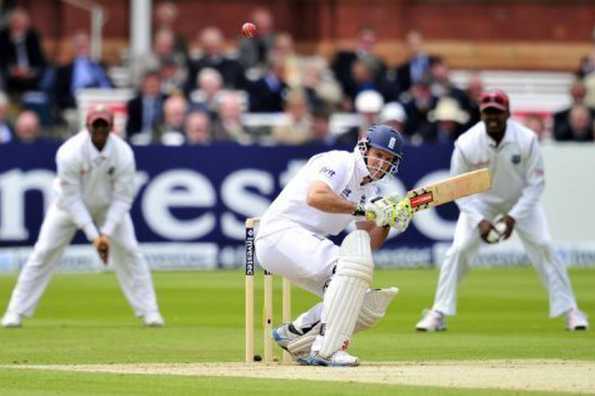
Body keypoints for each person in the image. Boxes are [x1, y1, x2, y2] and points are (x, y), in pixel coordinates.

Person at [415, 90, 589, 332]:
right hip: (480, 202)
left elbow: (536, 184)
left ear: (507, 113)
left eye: (497, 112)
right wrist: (479, 220)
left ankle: (571, 311)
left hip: (520, 201)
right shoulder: (466, 143)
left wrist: (514, 217)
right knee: (458, 249)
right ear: (481, 114)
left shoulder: (526, 139)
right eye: (488, 112)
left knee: (544, 246)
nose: (493, 117)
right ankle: (438, 312)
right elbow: (457, 188)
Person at [255, 124, 413, 366]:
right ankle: (327, 349)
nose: (382, 163)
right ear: (365, 148)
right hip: (279, 233)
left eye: (389, 159)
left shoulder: (369, 189)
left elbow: (367, 246)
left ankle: (295, 332)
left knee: (361, 301)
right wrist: (365, 209)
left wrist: (388, 220)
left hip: (304, 243)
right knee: (346, 268)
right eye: (379, 155)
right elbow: (315, 196)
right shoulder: (340, 162)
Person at [1, 106, 164, 328]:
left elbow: (123, 199)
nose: (99, 130)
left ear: (111, 128)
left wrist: (105, 233)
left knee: (130, 251)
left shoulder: (123, 153)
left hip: (108, 208)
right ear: (87, 126)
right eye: (95, 125)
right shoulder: (69, 152)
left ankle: (150, 312)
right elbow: (72, 198)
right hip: (67, 207)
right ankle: (15, 312)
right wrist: (94, 237)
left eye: (103, 125)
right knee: (43, 252)